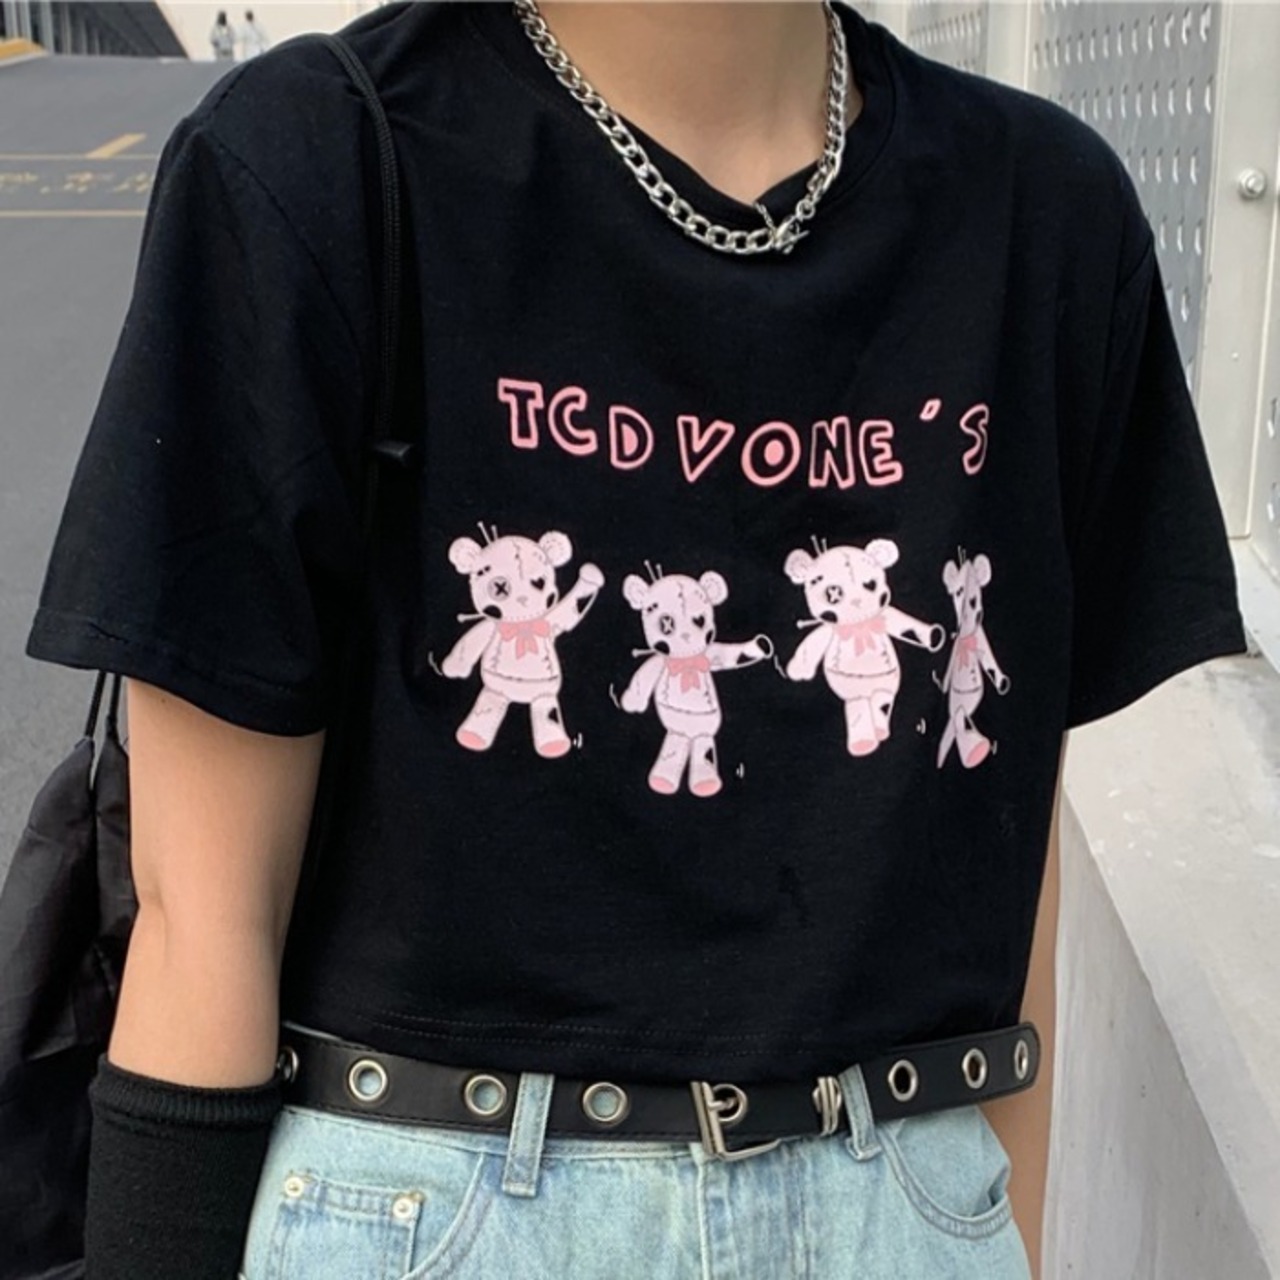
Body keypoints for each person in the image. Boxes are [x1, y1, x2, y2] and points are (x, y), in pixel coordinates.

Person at [23, 1, 1247, 1277]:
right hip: (427, 1209)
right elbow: (203, 916)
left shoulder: (1040, 216)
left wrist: (999, 1240)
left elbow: (1005, 859)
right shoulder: (316, 161)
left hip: (906, 1207)